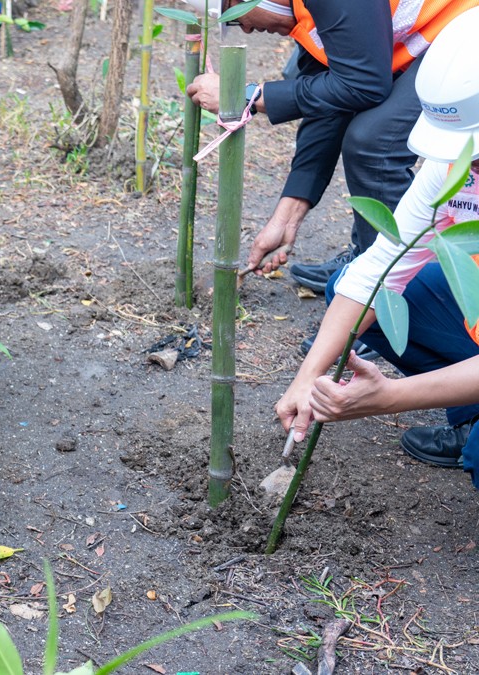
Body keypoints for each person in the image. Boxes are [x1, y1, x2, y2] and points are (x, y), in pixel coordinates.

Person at [277, 7, 479, 486]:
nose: (465, 172)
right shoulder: (459, 163)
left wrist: (389, 397)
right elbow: (379, 269)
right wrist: (307, 377)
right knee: (362, 289)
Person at [185, 0, 479, 295]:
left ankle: (393, 293)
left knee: (375, 141)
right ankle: (369, 260)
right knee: (370, 137)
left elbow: (364, 84)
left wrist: (245, 96)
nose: (247, 29)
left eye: (236, 18)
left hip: (464, 22)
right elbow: (329, 100)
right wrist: (288, 215)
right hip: (441, 30)